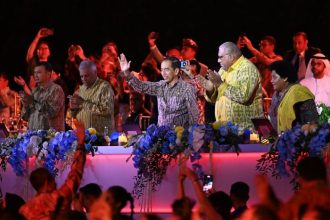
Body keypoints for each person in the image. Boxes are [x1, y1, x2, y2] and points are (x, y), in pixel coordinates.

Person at [19, 119, 87, 219]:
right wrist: (80, 143)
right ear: (47, 182)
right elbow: (75, 174)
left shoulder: (24, 210)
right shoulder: (59, 197)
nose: (55, 183)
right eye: (53, 180)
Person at [197, 42, 263, 133]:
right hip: (225, 131)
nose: (218, 61)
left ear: (231, 57)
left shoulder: (247, 69)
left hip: (245, 132)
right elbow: (216, 99)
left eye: (221, 57)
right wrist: (211, 90)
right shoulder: (223, 70)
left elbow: (243, 96)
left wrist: (220, 84)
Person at [119, 54, 199, 128]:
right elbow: (141, 86)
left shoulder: (187, 89)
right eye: (162, 70)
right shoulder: (160, 86)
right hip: (161, 137)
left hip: (180, 138)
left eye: (167, 69)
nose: (163, 73)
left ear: (176, 71)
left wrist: (189, 137)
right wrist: (126, 72)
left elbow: (194, 116)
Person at [268, 60, 319, 133]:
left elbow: (312, 123)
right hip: (279, 139)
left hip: (298, 141)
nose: (271, 80)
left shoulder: (299, 93)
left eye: (274, 77)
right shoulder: (276, 94)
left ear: (285, 78)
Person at [69, 60, 114, 134]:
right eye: (81, 76)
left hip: (101, 137)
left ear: (95, 72)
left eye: (86, 75)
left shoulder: (104, 87)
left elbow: (106, 110)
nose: (84, 79)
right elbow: (73, 116)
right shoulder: (81, 89)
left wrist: (83, 103)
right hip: (84, 137)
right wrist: (73, 109)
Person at [20, 62, 65, 131]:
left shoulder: (56, 90)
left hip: (51, 138)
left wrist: (33, 102)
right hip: (33, 137)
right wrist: (25, 104)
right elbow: (25, 117)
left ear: (48, 74)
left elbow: (51, 112)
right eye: (35, 73)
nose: (35, 75)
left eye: (39, 72)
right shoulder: (34, 91)